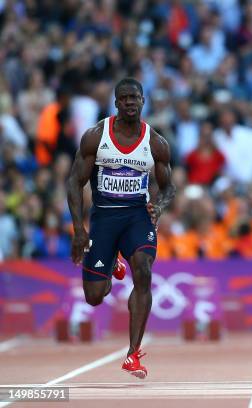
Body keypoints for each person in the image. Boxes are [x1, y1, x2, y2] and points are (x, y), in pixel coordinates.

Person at [67, 78, 175, 377]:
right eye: (124, 98)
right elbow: (74, 182)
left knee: (143, 270)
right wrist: (79, 229)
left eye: (135, 98)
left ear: (143, 102)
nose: (130, 102)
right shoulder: (95, 137)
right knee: (94, 296)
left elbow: (168, 188)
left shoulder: (155, 143)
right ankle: (112, 260)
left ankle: (132, 354)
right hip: (103, 218)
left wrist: (160, 205)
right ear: (116, 103)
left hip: (137, 218)